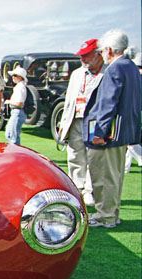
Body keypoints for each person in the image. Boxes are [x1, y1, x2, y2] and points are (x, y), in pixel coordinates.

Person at [83, 29, 141, 228]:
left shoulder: (115, 69)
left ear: (109, 50)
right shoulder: (131, 67)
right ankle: (111, 214)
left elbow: (108, 103)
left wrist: (99, 132)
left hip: (108, 133)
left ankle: (105, 215)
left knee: (103, 176)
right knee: (115, 176)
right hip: (122, 132)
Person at [57, 38, 106, 206]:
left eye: (87, 55)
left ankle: (90, 191)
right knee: (75, 155)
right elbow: (69, 100)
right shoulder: (77, 74)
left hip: (94, 122)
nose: (83, 59)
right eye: (81, 56)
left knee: (93, 157)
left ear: (98, 54)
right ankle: (76, 189)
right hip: (76, 120)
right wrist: (63, 123)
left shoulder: (106, 73)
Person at [124, 51, 142, 173]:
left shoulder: (136, 76)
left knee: (131, 141)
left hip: (133, 112)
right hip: (135, 111)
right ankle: (126, 167)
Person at [4, 66, 28, 145]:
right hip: (15, 112)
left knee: (13, 137)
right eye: (13, 75)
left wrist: (9, 102)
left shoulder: (20, 87)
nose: (13, 77)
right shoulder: (19, 87)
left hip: (17, 112)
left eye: (15, 75)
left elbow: (20, 103)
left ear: (21, 77)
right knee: (9, 134)